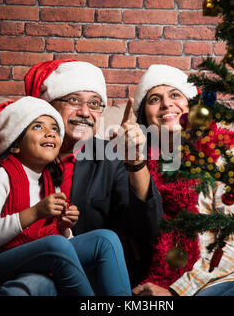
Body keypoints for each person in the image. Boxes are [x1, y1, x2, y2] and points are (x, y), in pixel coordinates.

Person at [130, 64, 234, 296]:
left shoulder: (225, 155)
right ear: (144, 117)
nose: (166, 104)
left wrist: (175, 292)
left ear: (193, 106)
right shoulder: (140, 172)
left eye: (175, 95)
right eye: (155, 99)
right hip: (178, 283)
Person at [0, 96, 131, 296]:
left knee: (105, 239)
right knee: (55, 245)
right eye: (38, 127)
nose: (50, 133)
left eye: (55, 129)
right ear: (15, 144)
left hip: (28, 265)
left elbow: (57, 242)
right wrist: (35, 212)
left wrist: (63, 226)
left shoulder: (49, 181)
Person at [21, 59, 163, 289]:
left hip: (89, 280)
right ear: (48, 107)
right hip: (28, 272)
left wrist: (136, 161)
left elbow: (147, 230)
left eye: (95, 103)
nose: (85, 112)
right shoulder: (18, 151)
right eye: (74, 100)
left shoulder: (109, 157)